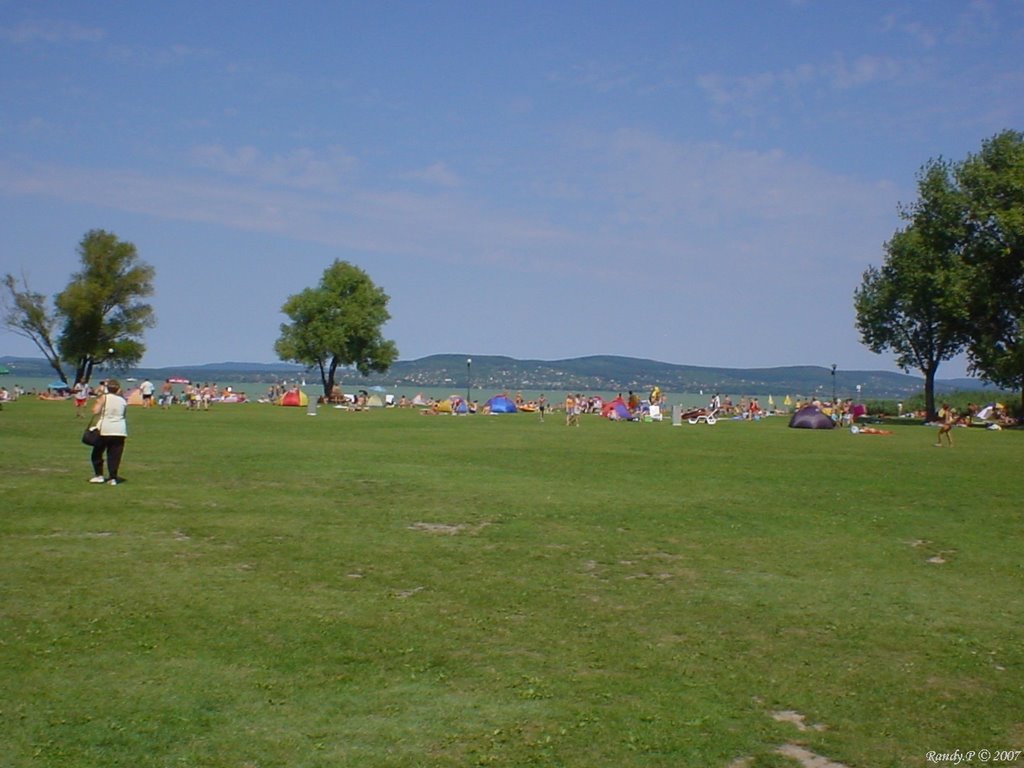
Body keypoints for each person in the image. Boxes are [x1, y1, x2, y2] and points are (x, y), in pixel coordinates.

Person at [88, 378, 128, 486]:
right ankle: (112, 478)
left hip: (105, 429)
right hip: (120, 430)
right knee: (114, 455)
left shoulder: (104, 397)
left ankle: (99, 475)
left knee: (97, 453)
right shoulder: (123, 401)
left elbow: (95, 411)